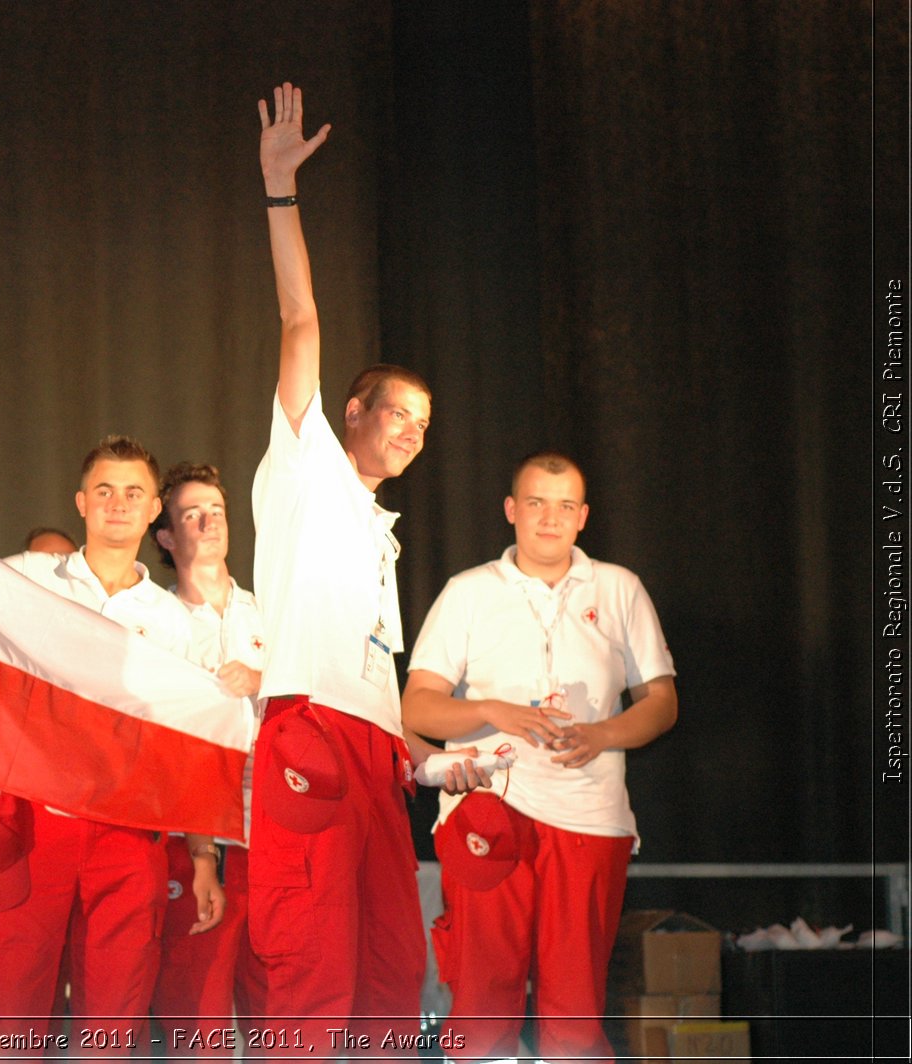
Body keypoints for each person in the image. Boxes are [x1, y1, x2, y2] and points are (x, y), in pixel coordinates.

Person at [247, 82, 487, 1052]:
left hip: (374, 754)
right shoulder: (302, 467)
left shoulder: (380, 527)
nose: (410, 434)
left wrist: (429, 761)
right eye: (396, 412)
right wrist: (277, 190)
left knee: (391, 973)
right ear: (350, 411)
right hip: (304, 731)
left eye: (424, 427)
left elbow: (371, 665)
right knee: (311, 971)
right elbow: (300, 320)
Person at [401, 451, 678, 1064]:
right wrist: (496, 711)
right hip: (487, 812)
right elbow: (417, 709)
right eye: (535, 503)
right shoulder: (467, 592)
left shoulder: (619, 587)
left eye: (563, 506)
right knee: (480, 1007)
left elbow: (662, 702)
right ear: (510, 510)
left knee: (575, 1014)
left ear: (582, 517)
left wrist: (603, 734)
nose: (548, 518)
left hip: (589, 820)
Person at [0, 435, 225, 1057]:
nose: (117, 503)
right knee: (9, 1012)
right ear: (81, 502)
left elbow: (190, 749)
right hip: (32, 823)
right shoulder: (26, 577)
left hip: (129, 834)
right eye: (104, 490)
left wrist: (203, 856)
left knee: (115, 1019)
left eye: (133, 492)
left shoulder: (175, 622)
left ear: (153, 507)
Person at [147, 462, 269, 1056]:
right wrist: (201, 855)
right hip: (195, 841)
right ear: (167, 537)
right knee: (199, 1022)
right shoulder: (157, 621)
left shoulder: (269, 610)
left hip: (270, 838)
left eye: (215, 511)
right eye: (190, 514)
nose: (207, 522)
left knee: (278, 1016)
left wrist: (263, 680)